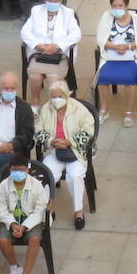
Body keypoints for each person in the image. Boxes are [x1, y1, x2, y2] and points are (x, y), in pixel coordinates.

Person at [34, 82, 93, 229]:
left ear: (67, 95)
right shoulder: (46, 109)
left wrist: (70, 141)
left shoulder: (79, 109)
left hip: (75, 150)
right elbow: (38, 129)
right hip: (54, 150)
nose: (56, 100)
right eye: (53, 97)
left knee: (74, 176)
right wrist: (51, 141)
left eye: (59, 96)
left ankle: (78, 211)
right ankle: (48, 209)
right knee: (46, 175)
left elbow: (88, 131)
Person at [95, 0, 137, 126]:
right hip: (110, 57)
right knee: (102, 78)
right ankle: (103, 109)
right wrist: (114, 46)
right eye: (114, 6)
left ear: (127, 6)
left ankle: (129, 112)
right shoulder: (106, 17)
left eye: (120, 5)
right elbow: (100, 38)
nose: (117, 8)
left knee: (129, 80)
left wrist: (128, 46)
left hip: (131, 57)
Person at [20, 0, 80, 108]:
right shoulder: (36, 11)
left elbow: (75, 34)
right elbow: (25, 32)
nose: (52, 3)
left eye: (55, 1)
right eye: (49, 0)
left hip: (59, 55)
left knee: (52, 78)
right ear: (44, 0)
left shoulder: (68, 13)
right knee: (35, 77)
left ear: (61, 0)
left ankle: (54, 106)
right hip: (39, 54)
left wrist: (57, 46)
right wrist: (38, 45)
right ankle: (35, 101)